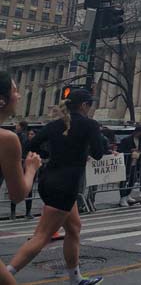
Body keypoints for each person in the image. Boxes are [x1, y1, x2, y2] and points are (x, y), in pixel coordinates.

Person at [6, 88, 104, 285]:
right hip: (66, 186)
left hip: (49, 180)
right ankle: (6, 275)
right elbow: (99, 153)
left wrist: (50, 155)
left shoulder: (54, 125)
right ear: (84, 106)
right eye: (90, 105)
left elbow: (32, 145)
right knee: (41, 236)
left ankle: (75, 278)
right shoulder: (89, 125)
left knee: (74, 227)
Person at [0, 72, 42, 284]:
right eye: (15, 91)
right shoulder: (7, 139)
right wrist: (31, 168)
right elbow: (18, 195)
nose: (18, 96)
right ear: (2, 100)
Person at [118, 126, 141, 207]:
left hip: (135, 162)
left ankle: (127, 194)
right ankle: (122, 198)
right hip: (127, 162)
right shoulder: (126, 139)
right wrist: (130, 151)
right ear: (138, 132)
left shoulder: (140, 140)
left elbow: (140, 148)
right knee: (124, 180)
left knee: (133, 179)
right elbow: (120, 150)